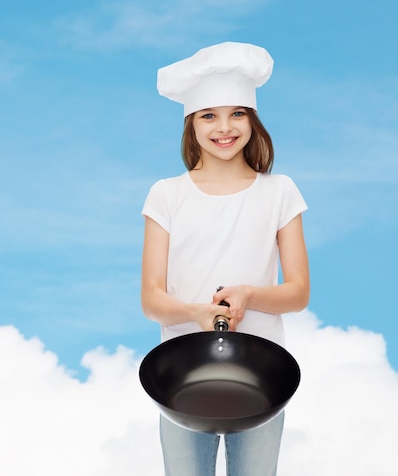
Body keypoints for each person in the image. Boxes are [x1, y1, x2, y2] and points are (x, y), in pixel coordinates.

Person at [140, 42, 310, 476]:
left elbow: (297, 293)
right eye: (208, 116)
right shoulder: (167, 194)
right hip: (183, 372)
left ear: (252, 120)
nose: (224, 128)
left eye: (237, 113)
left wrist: (249, 294)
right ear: (191, 124)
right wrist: (196, 311)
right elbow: (151, 299)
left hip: (261, 374)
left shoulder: (279, 192)